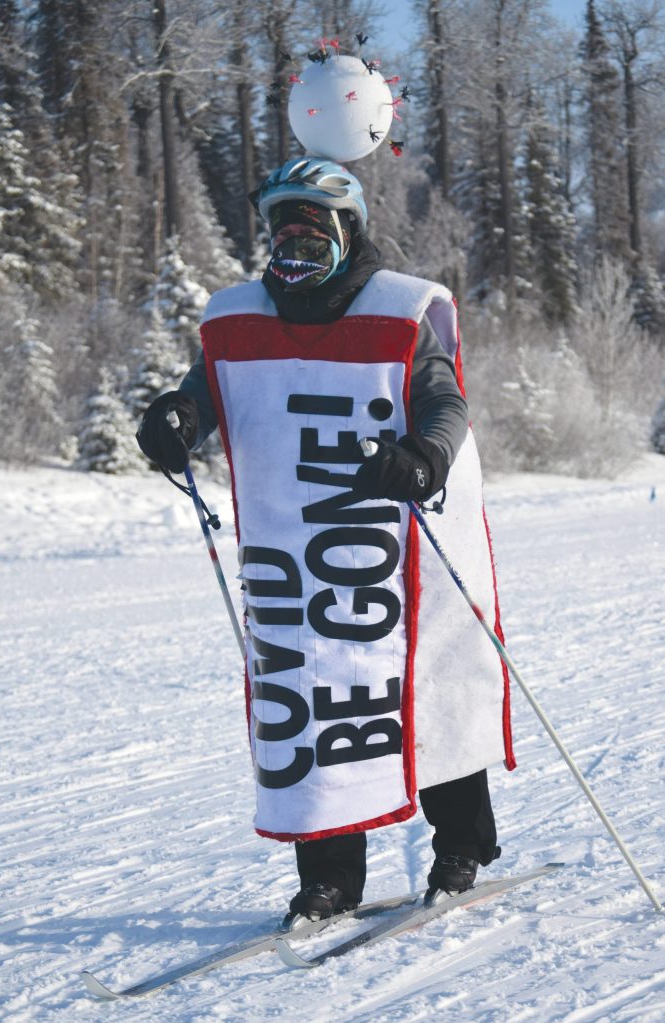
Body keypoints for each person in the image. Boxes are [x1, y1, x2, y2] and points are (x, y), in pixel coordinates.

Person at [137, 158, 512, 922]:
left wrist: (422, 457)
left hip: (398, 541)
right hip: (298, 556)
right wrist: (174, 423)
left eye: (311, 230)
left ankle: (459, 845)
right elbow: (201, 395)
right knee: (314, 704)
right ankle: (330, 876)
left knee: (424, 688)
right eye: (281, 231)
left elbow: (444, 402)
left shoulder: (399, 310)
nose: (293, 246)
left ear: (348, 229)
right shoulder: (239, 319)